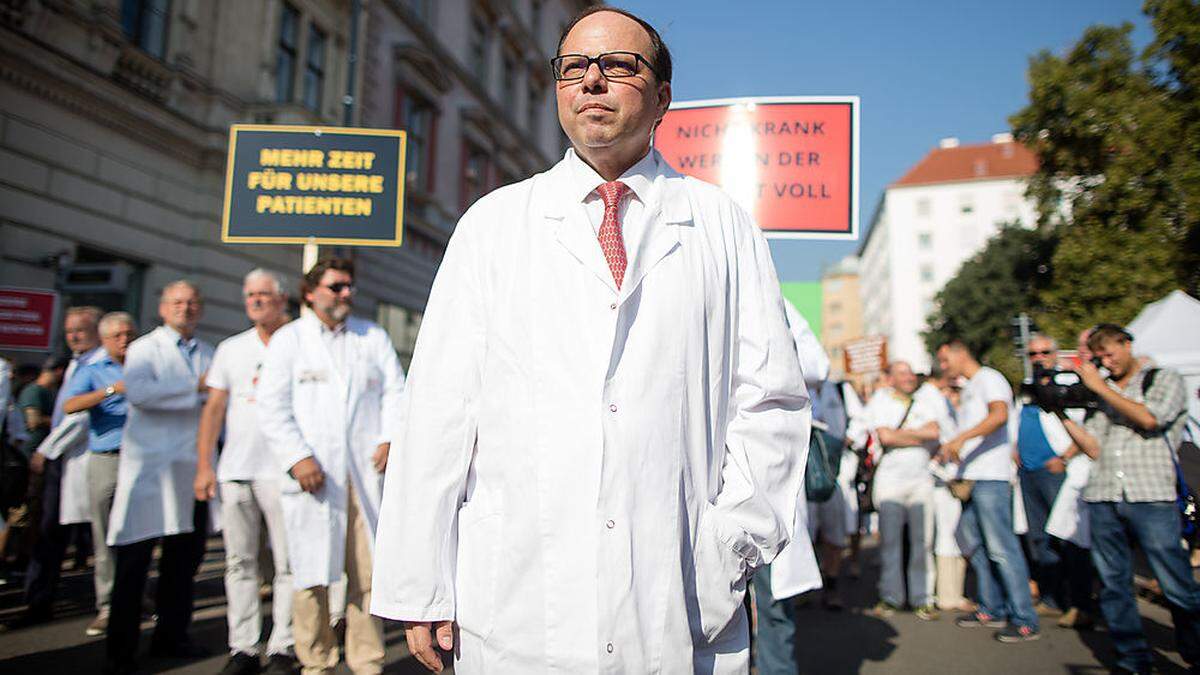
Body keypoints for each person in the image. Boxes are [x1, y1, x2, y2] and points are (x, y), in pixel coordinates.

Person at [370, 7, 810, 674]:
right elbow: (437, 409)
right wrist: (421, 579)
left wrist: (729, 544)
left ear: (662, 96)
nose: (592, 81)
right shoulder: (493, 225)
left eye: (618, 66)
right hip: (514, 599)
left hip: (677, 591)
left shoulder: (722, 225)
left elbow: (771, 403)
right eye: (574, 67)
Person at [258, 257, 406, 675]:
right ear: (310, 293)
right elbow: (271, 407)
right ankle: (316, 660)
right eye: (336, 287)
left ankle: (367, 660)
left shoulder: (371, 336)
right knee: (311, 574)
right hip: (313, 476)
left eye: (348, 287)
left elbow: (397, 392)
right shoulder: (289, 340)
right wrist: (297, 457)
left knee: (368, 573)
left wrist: (390, 436)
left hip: (363, 473)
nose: (346, 294)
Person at [1058, 323, 1200, 674]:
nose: (1107, 361)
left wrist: (1099, 387)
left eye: (1110, 352)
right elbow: (1091, 447)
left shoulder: (1160, 379)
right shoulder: (1100, 393)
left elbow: (1150, 419)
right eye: (1100, 356)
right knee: (1113, 584)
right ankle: (1132, 659)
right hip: (1104, 493)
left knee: (1175, 581)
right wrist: (1058, 411)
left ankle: (1194, 646)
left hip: (1151, 493)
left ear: (1127, 344)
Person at [103, 282, 214, 673]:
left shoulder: (208, 353)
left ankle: (172, 636)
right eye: (177, 303)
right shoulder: (143, 349)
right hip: (150, 471)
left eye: (192, 302)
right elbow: (140, 394)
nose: (185, 308)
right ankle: (121, 649)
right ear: (163, 309)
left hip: (191, 471)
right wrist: (194, 389)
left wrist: (200, 393)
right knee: (134, 566)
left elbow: (215, 404)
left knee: (183, 564)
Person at [195, 269, 297, 675]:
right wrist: (205, 464)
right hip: (237, 469)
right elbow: (214, 410)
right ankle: (244, 647)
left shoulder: (299, 342)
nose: (256, 301)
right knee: (240, 562)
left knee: (288, 564)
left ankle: (284, 644)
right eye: (250, 294)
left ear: (281, 299)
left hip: (284, 472)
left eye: (264, 294)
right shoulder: (231, 348)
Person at [3, 306, 103, 632]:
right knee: (47, 535)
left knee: (95, 537)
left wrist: (46, 450)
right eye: (70, 330)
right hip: (63, 461)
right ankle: (38, 600)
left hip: (80, 459)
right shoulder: (75, 364)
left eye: (81, 329)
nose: (73, 336)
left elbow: (80, 418)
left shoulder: (100, 366)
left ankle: (113, 605)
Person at [937, 339, 1040, 642]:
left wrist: (961, 439)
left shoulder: (990, 379)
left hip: (991, 477)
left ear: (960, 353)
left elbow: (999, 415)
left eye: (945, 360)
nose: (943, 367)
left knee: (1001, 547)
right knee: (974, 543)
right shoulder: (971, 386)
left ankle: (1023, 617)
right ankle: (991, 606)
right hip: (973, 476)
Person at [61, 312, 135, 640]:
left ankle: (134, 596)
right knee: (105, 535)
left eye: (129, 334)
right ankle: (107, 604)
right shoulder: (92, 371)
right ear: (104, 340)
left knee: (140, 536)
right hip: (106, 459)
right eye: (117, 335)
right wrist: (111, 390)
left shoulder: (146, 366)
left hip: (141, 460)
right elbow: (69, 406)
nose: (125, 340)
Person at [1015, 334, 1093, 627]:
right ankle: (1051, 598)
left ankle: (1079, 603)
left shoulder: (1069, 383)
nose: (1038, 358)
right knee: (1039, 538)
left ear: (1054, 353)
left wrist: (1067, 456)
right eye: (1033, 353)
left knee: (1068, 537)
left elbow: (1085, 426)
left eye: (1044, 352)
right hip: (1029, 473)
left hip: (1059, 471)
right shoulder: (1026, 387)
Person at [852, 361, 941, 620]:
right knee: (890, 542)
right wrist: (918, 435)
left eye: (910, 372)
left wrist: (903, 434)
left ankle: (922, 597)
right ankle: (891, 596)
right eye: (902, 373)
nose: (909, 377)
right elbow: (886, 437)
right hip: (891, 480)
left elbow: (935, 432)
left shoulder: (925, 400)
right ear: (890, 378)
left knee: (923, 541)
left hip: (921, 479)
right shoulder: (881, 401)